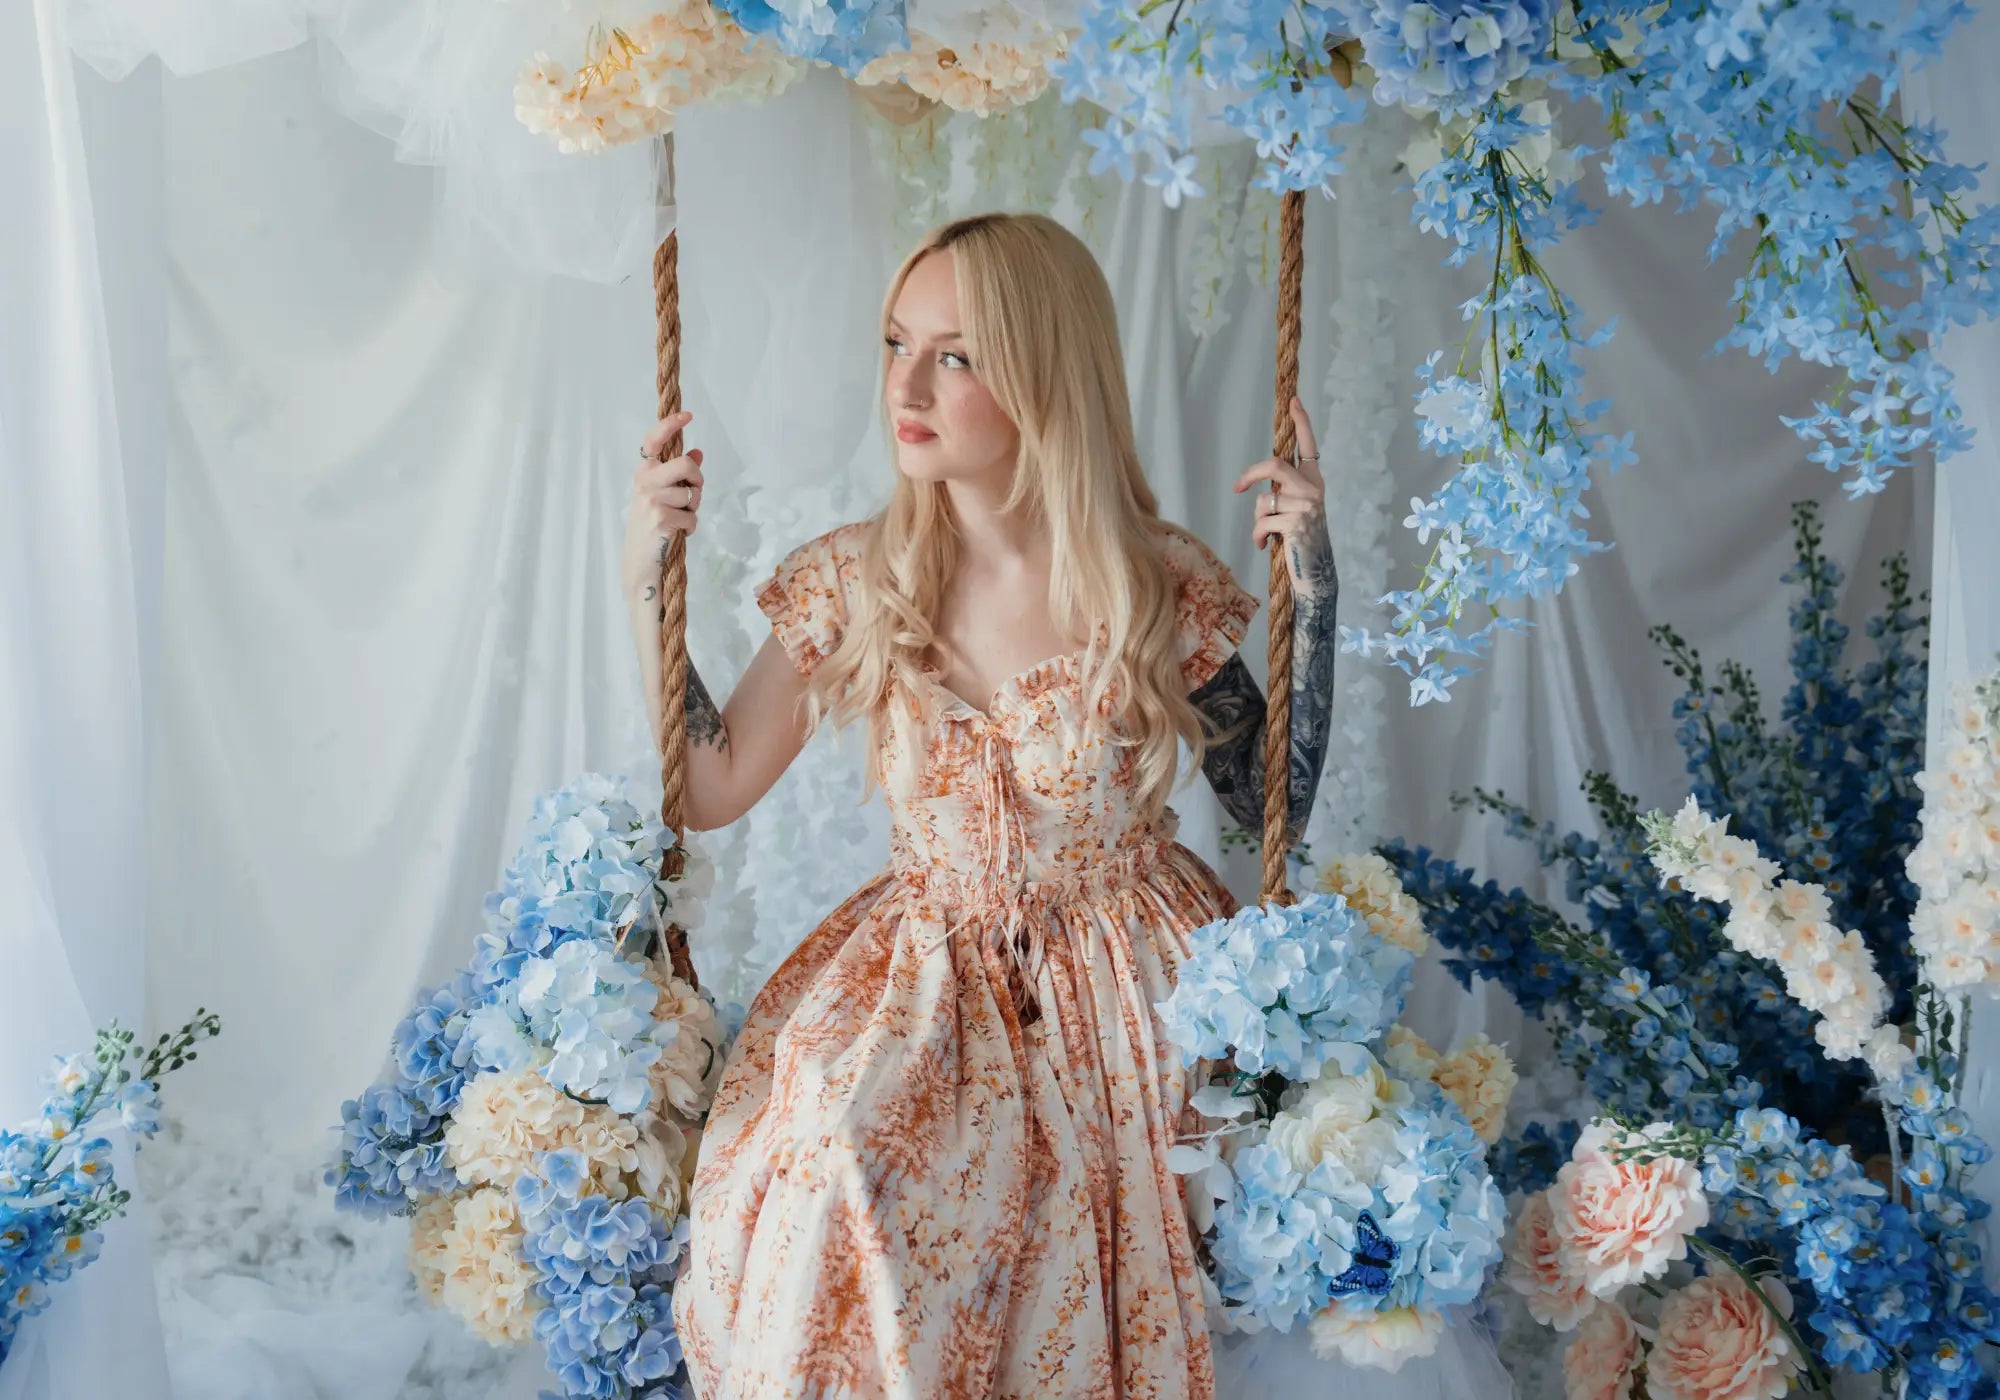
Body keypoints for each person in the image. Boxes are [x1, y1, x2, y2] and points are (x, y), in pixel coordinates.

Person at [620, 212, 1339, 1399]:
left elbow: (1275, 806)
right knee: (837, 1157)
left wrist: (1312, 585)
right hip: (926, 972)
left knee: (1136, 1203)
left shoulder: (1152, 581)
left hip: (1131, 977)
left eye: (952, 355)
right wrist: (648, 572)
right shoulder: (859, 577)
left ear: (1041, 369)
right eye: (895, 342)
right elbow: (707, 784)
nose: (903, 382)